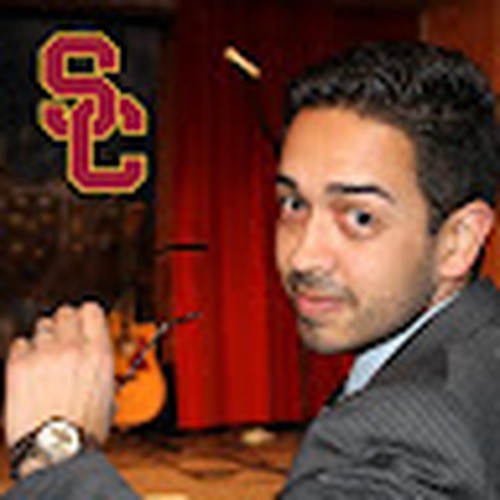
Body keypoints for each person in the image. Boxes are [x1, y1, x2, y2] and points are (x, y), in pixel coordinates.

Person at [3, 40, 500, 499]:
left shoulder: (416, 429)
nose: (303, 256)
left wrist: (54, 454)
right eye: (293, 204)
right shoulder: (474, 353)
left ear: (458, 239)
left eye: (360, 218)